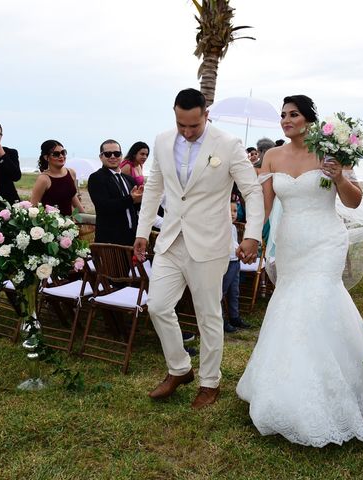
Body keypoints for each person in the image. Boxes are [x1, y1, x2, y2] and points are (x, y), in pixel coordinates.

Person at [236, 94, 363, 446]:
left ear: (310, 120)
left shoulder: (330, 152)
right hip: (291, 242)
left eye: (293, 114)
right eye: (283, 115)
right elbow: (264, 206)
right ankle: (284, 389)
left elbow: (354, 201)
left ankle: (334, 393)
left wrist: (340, 177)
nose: (286, 120)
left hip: (326, 241)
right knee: (291, 304)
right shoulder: (272, 156)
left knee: (315, 303)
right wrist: (253, 238)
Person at [133, 88, 264, 409]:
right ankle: (179, 368)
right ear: (175, 116)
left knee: (208, 315)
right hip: (170, 241)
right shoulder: (163, 141)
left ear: (206, 115)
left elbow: (252, 191)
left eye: (194, 126)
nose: (187, 132)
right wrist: (142, 229)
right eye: (182, 125)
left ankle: (210, 382)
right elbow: (154, 187)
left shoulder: (229, 144)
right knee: (157, 306)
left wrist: (253, 235)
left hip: (210, 243)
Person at [88, 139, 142, 245]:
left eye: (116, 153)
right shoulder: (96, 178)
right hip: (110, 240)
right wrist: (131, 198)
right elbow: (104, 206)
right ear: (101, 157)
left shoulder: (129, 179)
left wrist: (140, 199)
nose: (113, 157)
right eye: (108, 154)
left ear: (121, 156)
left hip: (132, 237)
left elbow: (134, 208)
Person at [30, 140, 85, 216]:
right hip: (51, 225)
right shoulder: (43, 179)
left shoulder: (71, 173)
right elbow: (33, 207)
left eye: (63, 152)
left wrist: (85, 217)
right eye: (56, 154)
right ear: (46, 157)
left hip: (70, 223)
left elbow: (73, 197)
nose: (61, 156)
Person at [222, 201, 249, 333]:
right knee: (222, 291)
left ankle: (234, 316)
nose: (233, 214)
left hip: (235, 261)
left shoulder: (233, 227)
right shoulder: (221, 226)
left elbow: (234, 243)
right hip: (226, 261)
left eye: (235, 211)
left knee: (234, 291)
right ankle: (221, 320)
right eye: (230, 210)